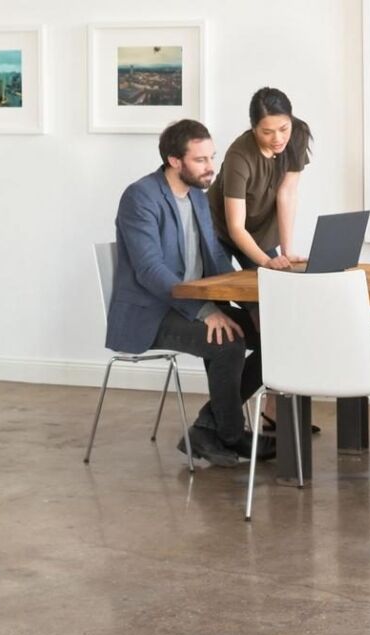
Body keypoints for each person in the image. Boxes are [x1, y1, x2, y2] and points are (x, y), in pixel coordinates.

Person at [107, 119, 275, 467]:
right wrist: (205, 310)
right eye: (201, 160)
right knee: (227, 342)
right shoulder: (140, 197)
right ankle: (230, 434)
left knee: (274, 336)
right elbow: (150, 270)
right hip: (151, 312)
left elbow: (214, 259)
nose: (211, 167)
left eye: (211, 157)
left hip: (194, 304)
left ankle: (207, 428)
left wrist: (253, 305)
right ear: (174, 160)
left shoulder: (197, 197)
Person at [208, 87, 317, 433]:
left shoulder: (296, 136)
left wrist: (285, 251)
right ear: (254, 128)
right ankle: (222, 417)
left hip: (262, 234)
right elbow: (236, 226)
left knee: (278, 319)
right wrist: (265, 263)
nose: (277, 138)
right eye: (267, 132)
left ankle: (272, 409)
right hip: (221, 234)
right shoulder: (240, 155)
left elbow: (286, 194)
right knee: (247, 319)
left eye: (283, 128)